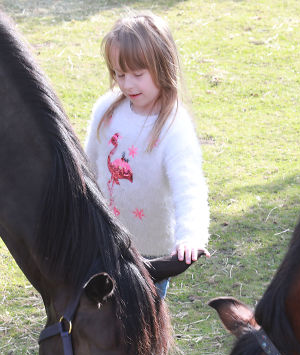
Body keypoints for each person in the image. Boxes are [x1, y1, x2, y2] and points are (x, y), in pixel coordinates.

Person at [85, 11, 209, 298]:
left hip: (150, 254)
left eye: (138, 74)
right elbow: (87, 165)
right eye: (119, 74)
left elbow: (189, 187)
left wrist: (191, 236)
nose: (128, 84)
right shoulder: (106, 111)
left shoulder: (173, 127)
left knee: (141, 317)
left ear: (162, 67)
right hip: (106, 239)